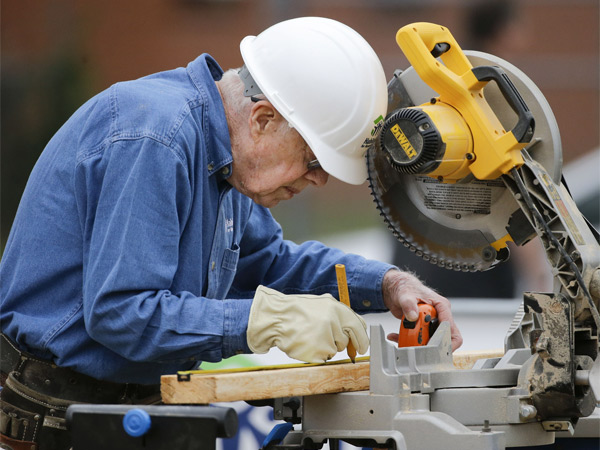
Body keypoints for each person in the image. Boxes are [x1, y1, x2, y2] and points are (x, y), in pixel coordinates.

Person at [0, 17, 462, 450]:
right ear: (262, 119)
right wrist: (264, 322)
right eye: (314, 160)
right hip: (54, 413)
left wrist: (388, 284)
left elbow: (271, 263)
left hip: (123, 405)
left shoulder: (224, 157)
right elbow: (122, 312)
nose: (318, 180)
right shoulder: (155, 139)